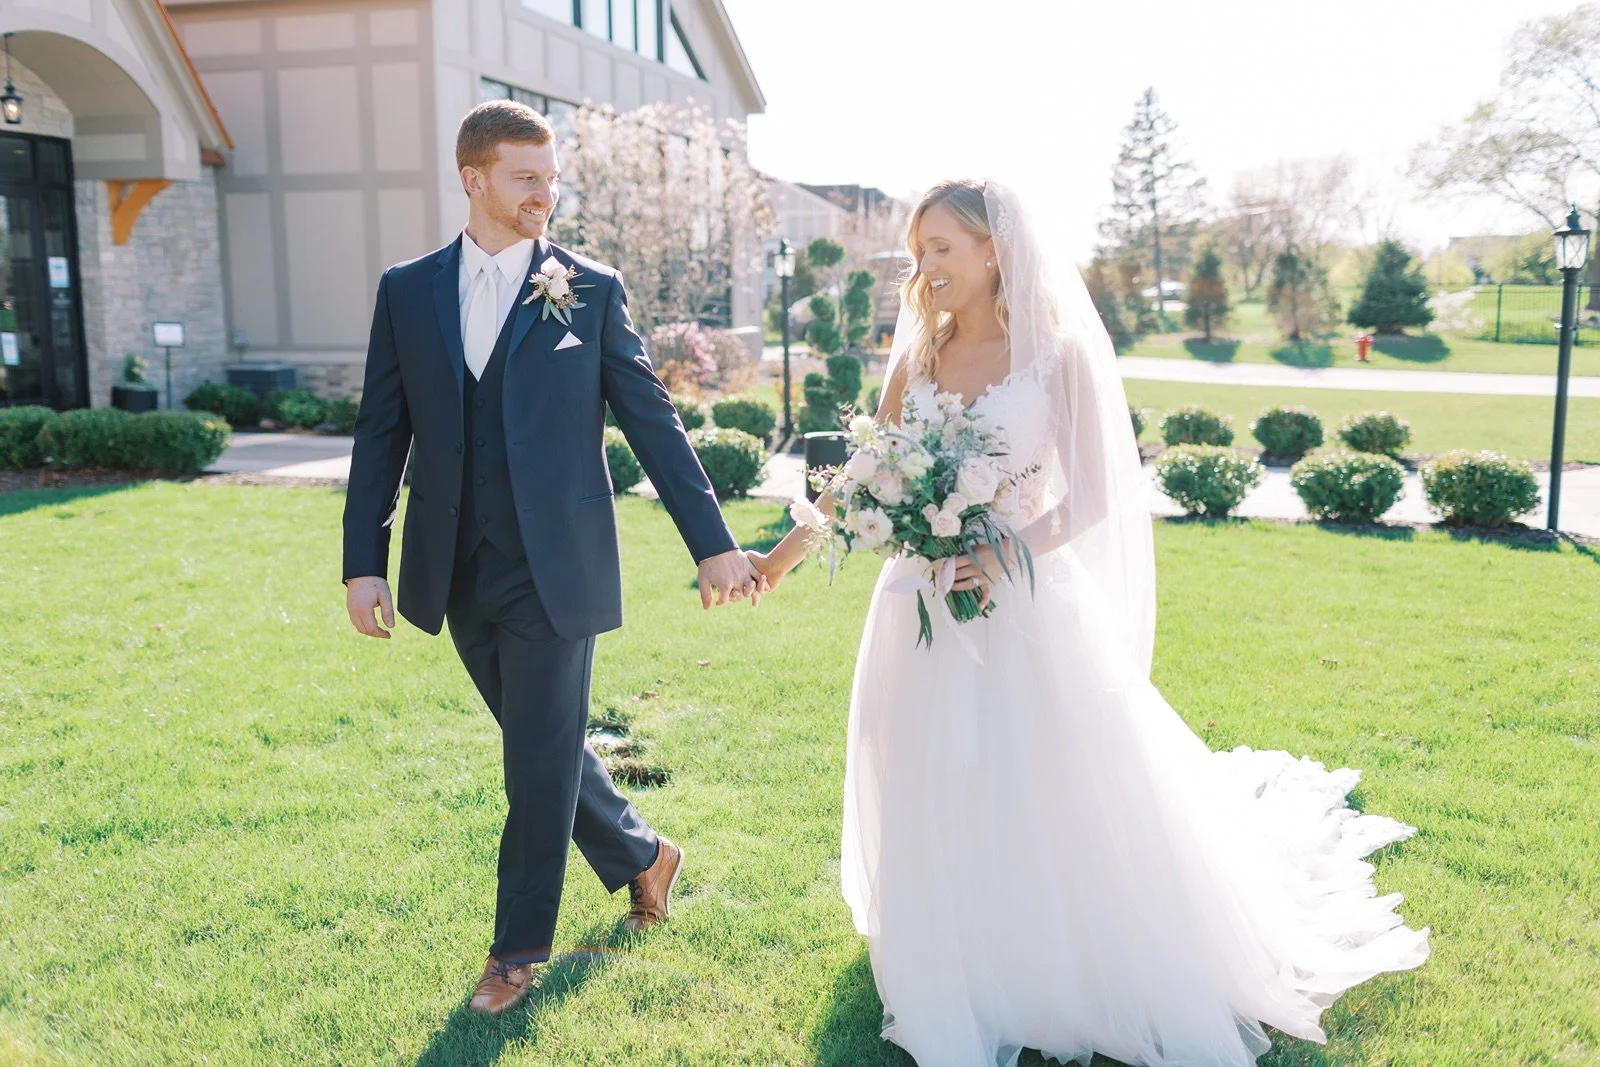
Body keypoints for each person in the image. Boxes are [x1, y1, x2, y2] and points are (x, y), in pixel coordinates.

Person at [749, 178, 1430, 1067]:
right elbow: (856, 481)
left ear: (994, 250)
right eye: (919, 254)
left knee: (1037, 773)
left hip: (1023, 601)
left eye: (942, 249)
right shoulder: (915, 357)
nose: (926, 270)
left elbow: (1098, 496)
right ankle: (952, 940)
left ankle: (1044, 944)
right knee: (927, 767)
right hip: (919, 600)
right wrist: (775, 559)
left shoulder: (1057, 357)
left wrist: (1001, 553)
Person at [341, 100, 766, 1017]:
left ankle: (515, 951)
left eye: (553, 177)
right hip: (453, 563)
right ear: (474, 178)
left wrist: (714, 545)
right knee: (543, 744)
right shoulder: (406, 290)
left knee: (532, 763)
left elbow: (654, 421)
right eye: (527, 177)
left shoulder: (591, 287)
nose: (547, 194)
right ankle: (645, 855)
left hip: (555, 568)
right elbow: (381, 431)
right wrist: (361, 559)